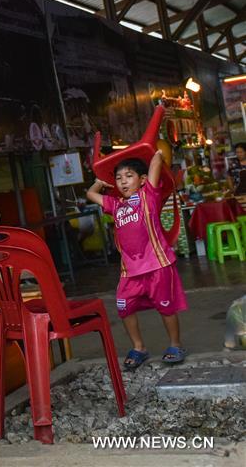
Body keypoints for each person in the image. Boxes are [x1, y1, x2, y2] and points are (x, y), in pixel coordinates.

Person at [86, 150, 188, 370]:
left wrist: (157, 152)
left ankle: (175, 345)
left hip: (157, 266)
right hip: (129, 271)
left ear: (142, 180)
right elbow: (91, 195)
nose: (123, 181)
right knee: (124, 307)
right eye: (119, 178)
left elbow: (154, 165)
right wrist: (99, 182)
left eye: (129, 176)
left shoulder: (148, 196)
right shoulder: (115, 205)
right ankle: (139, 347)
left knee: (166, 308)